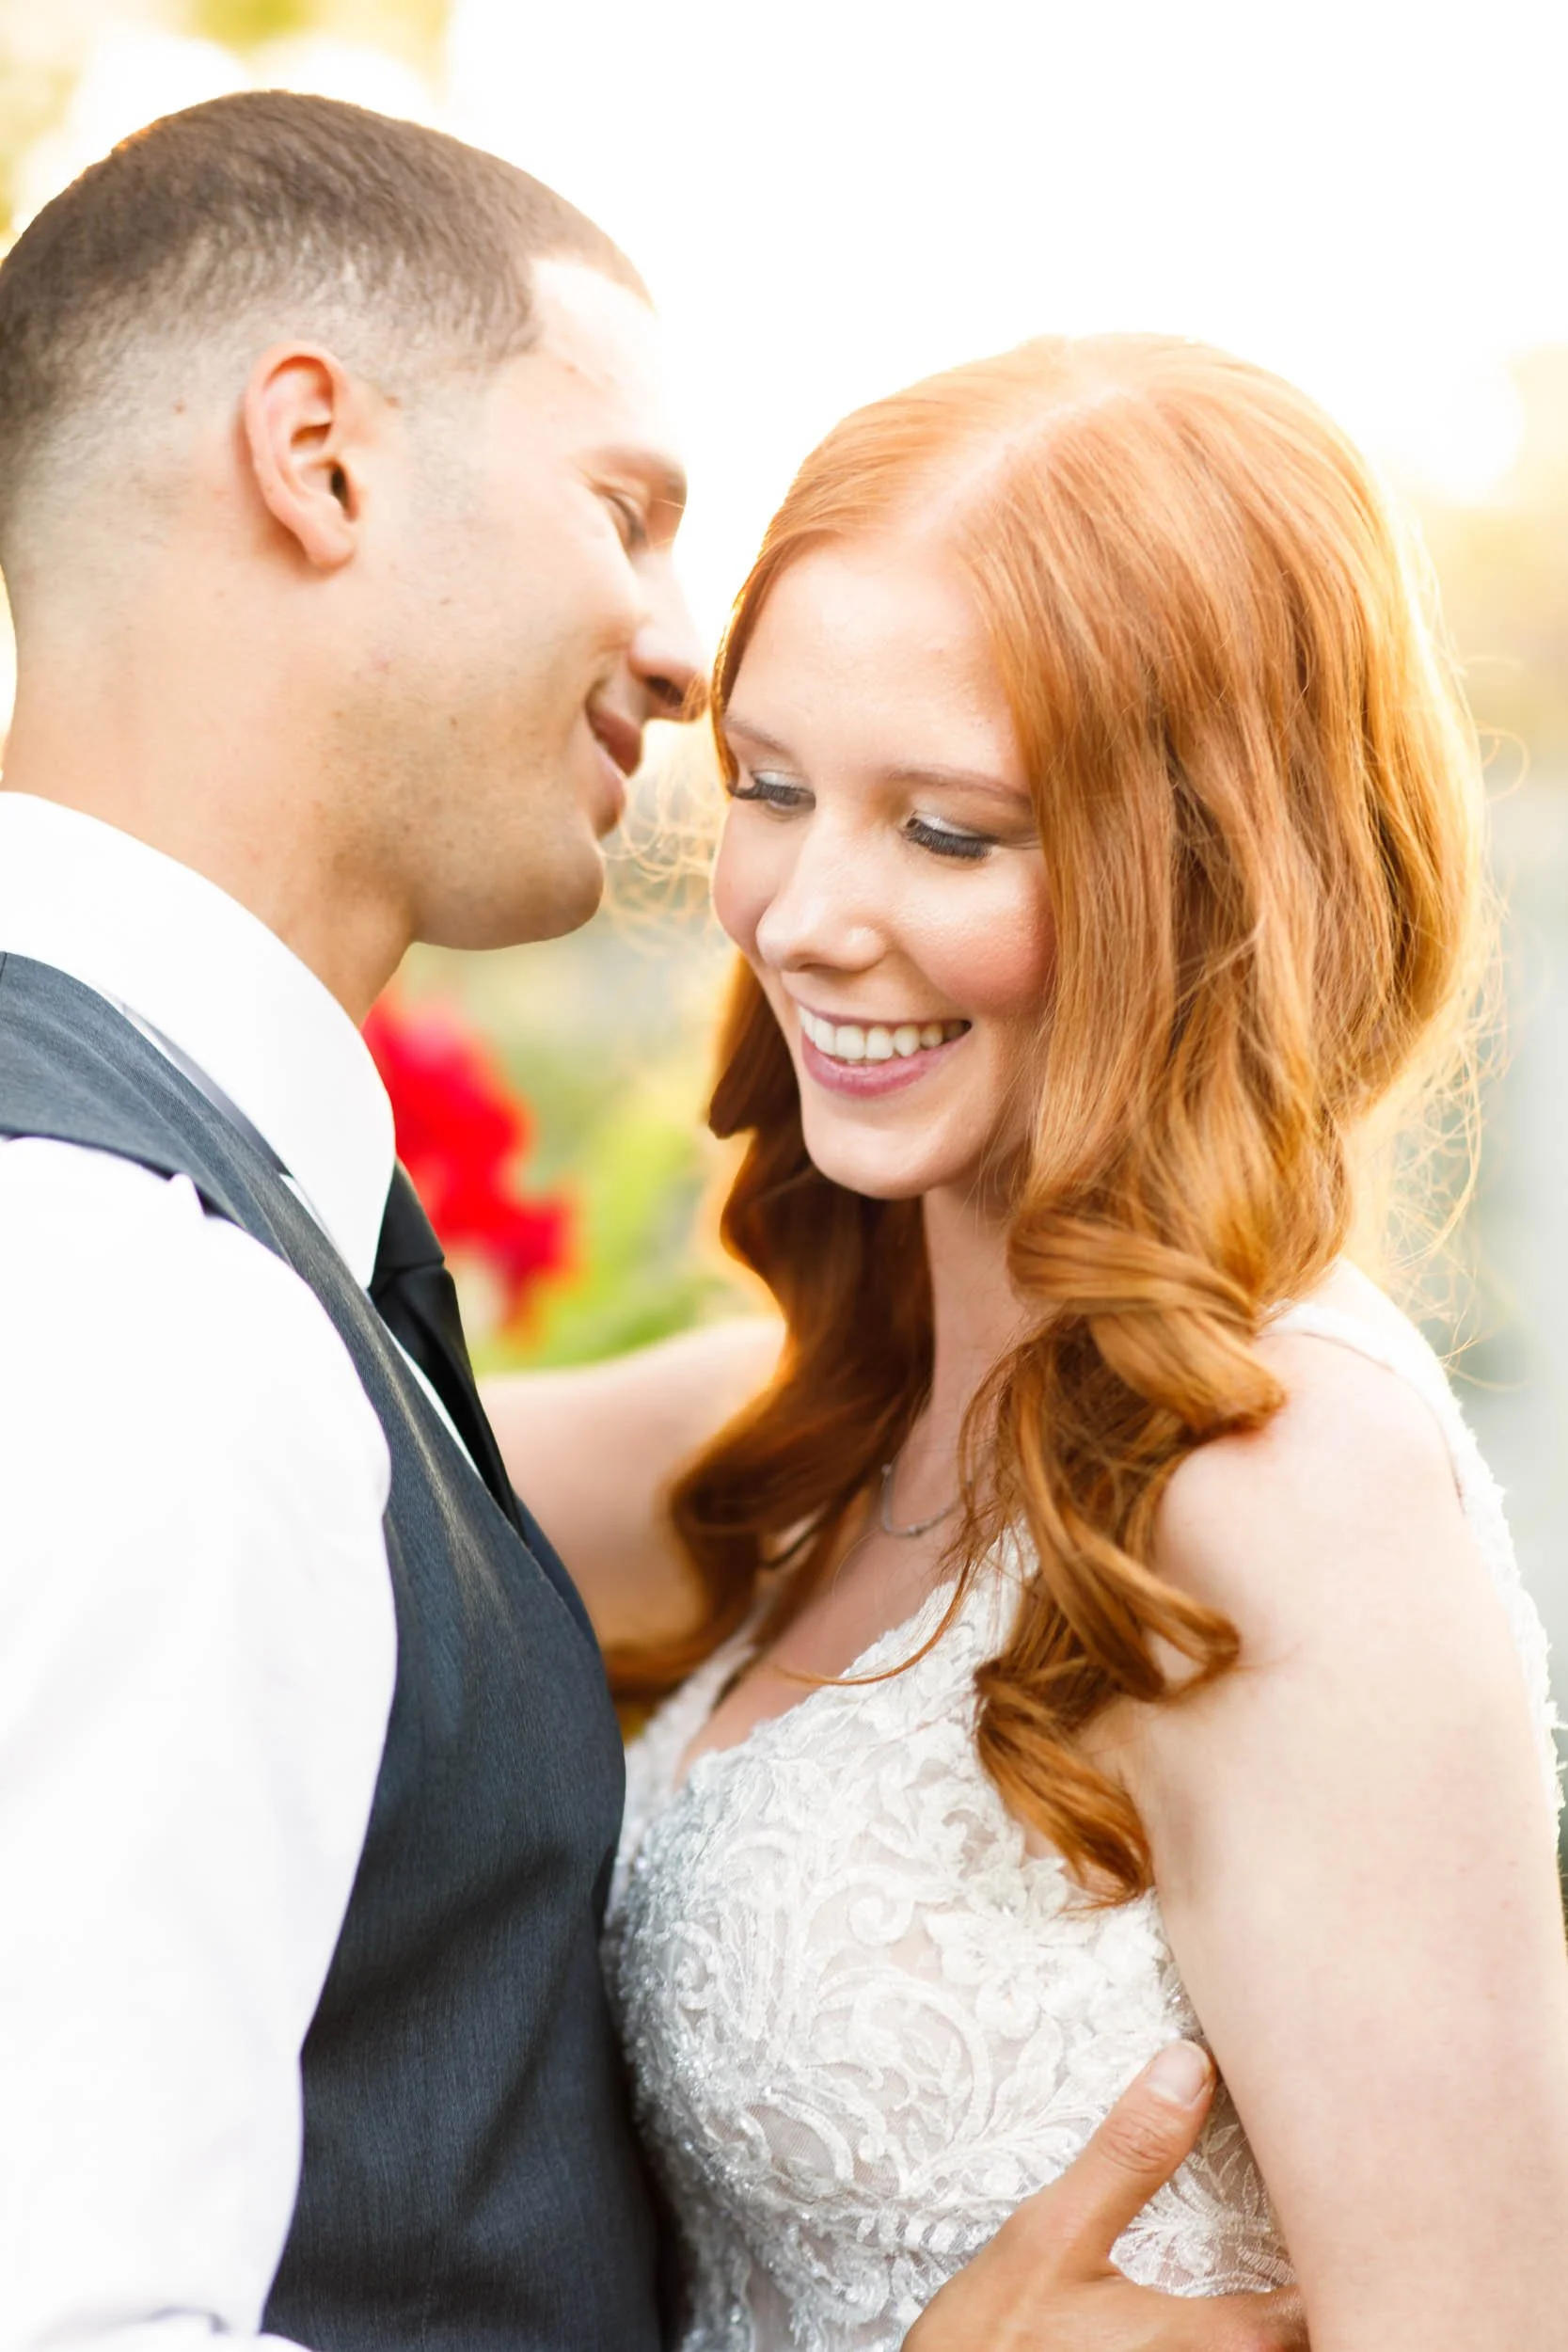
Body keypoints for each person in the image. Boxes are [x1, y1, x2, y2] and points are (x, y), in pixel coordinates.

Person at [0, 91, 1300, 2352]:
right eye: (622, 509)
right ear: (317, 459)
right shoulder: (133, 1295)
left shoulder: (169, 1234)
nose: (686, 652)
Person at [488, 334, 1568, 2347]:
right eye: (773, 788)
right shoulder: (823, 1426)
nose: (802, 914)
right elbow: (250, 1436)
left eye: (949, 831)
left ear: (1206, 879)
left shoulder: (1281, 1484)